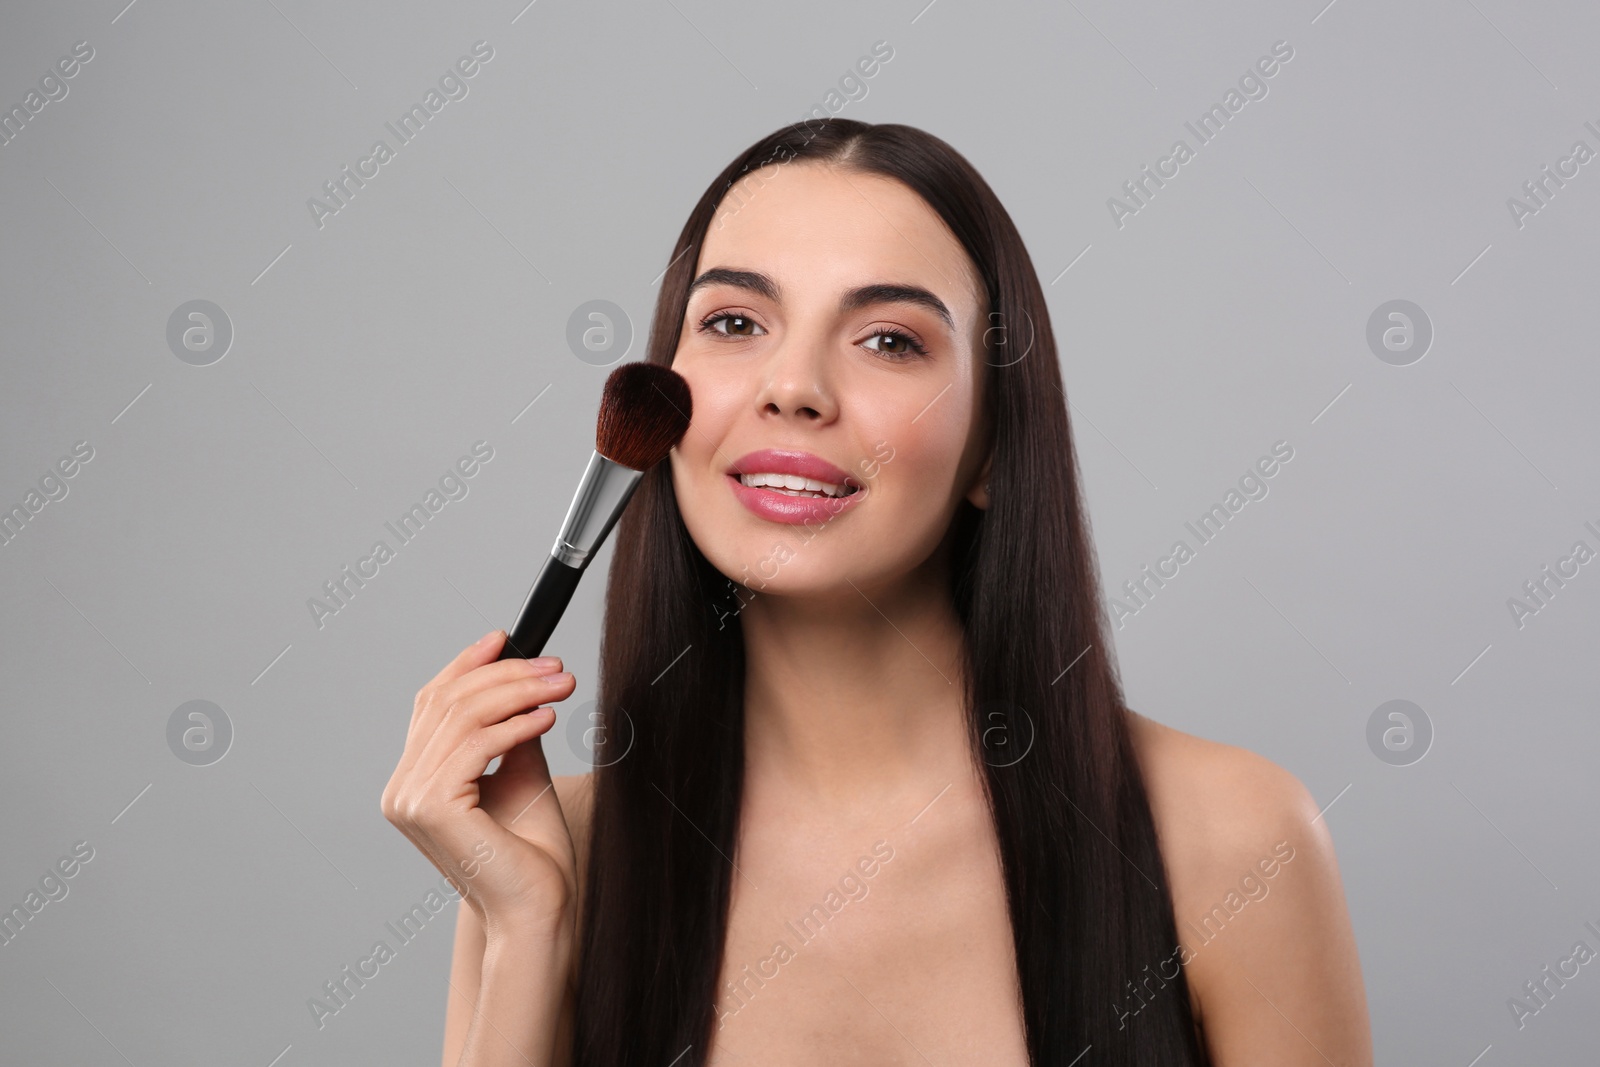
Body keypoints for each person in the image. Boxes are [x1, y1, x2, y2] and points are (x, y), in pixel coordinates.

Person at [382, 118, 1372, 1067]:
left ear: (993, 441)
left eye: (889, 340)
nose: (793, 385)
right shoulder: (553, 858)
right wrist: (526, 926)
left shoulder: (1231, 839)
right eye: (733, 321)